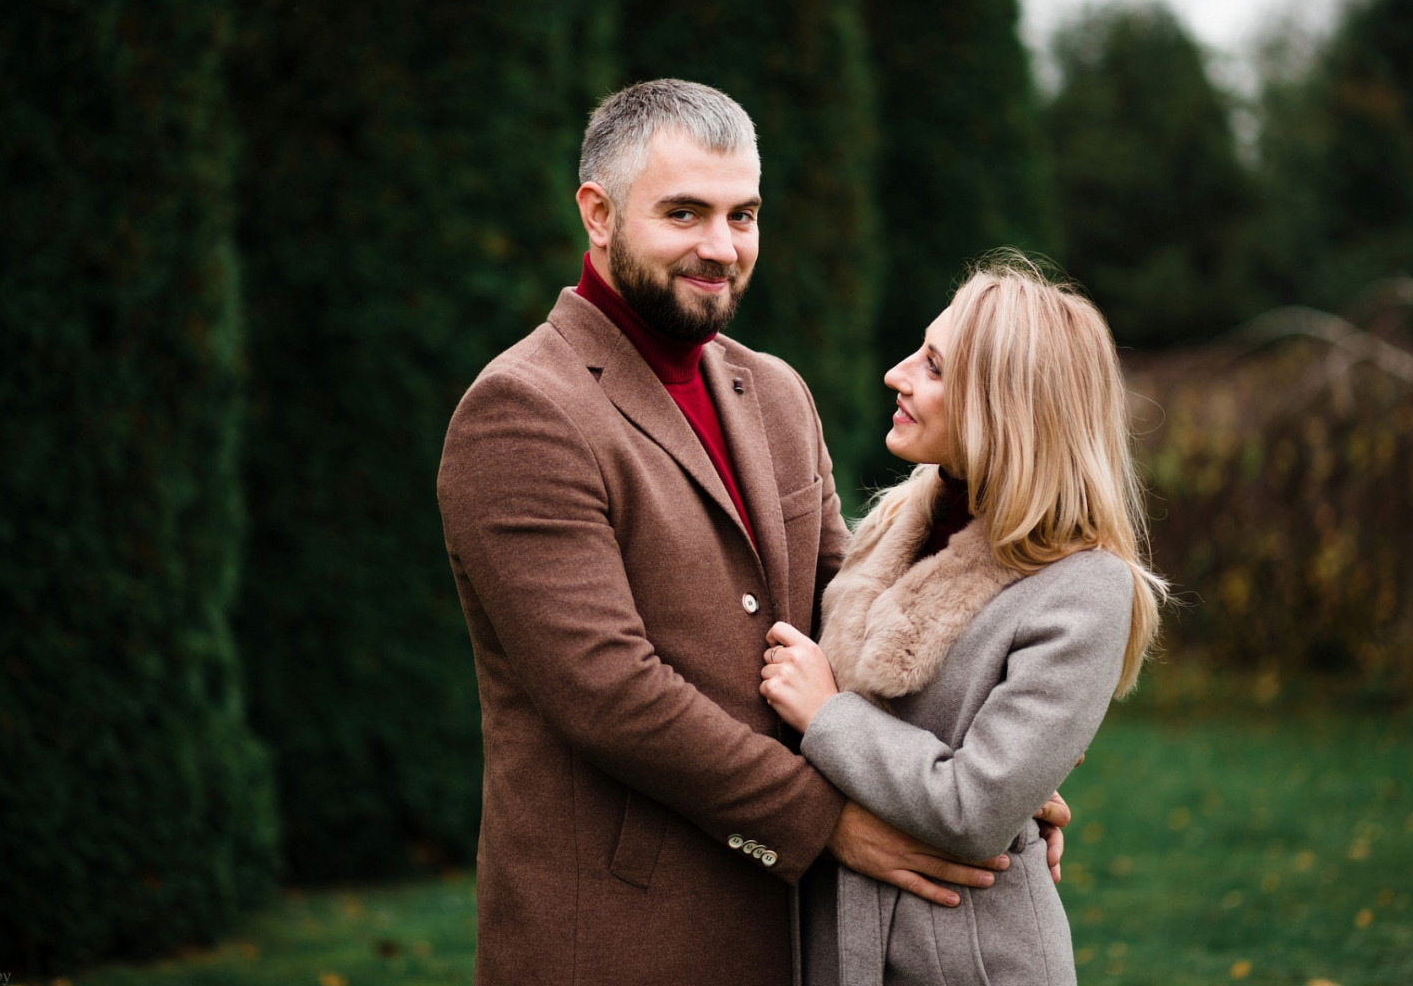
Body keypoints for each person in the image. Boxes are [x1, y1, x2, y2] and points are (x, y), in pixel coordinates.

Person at [438, 80, 1067, 985]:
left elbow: (856, 616)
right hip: (622, 936)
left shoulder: (774, 391)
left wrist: (986, 768)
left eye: (743, 215)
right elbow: (610, 695)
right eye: (684, 213)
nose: (720, 248)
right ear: (598, 214)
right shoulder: (522, 410)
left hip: (799, 935)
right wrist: (830, 823)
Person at [761, 255, 1167, 985]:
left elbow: (973, 808)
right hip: (828, 939)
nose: (896, 374)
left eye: (934, 367)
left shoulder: (1083, 590)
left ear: (1007, 405)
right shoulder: (896, 524)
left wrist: (826, 715)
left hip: (969, 961)